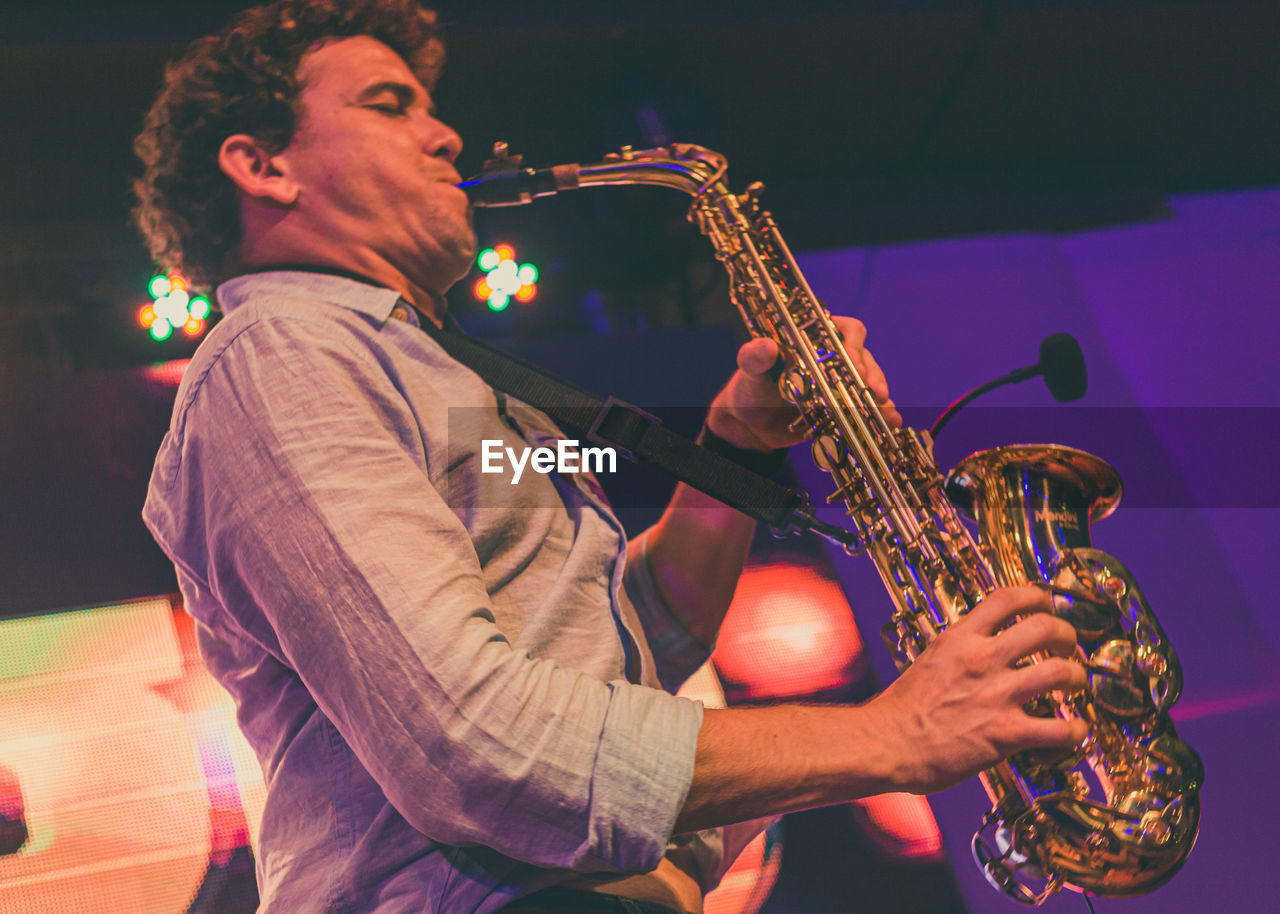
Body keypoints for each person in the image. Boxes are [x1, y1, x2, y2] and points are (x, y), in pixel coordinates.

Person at [134, 2, 1088, 912]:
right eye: (389, 103)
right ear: (263, 167)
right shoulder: (285, 358)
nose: (448, 135)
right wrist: (894, 733)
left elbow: (626, 638)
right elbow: (477, 743)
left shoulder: (437, 379)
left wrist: (737, 451)